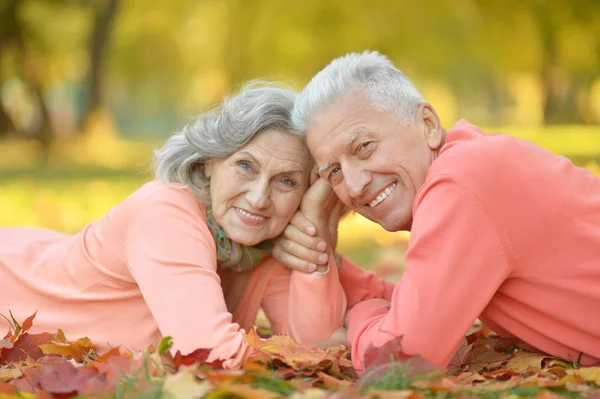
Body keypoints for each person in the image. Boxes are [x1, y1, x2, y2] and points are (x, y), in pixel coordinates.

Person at [273, 51, 600, 374]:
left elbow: (402, 359)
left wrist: (364, 315)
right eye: (334, 172)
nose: (354, 186)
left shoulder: (461, 182)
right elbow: (423, 304)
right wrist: (329, 257)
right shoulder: (469, 166)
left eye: (364, 147)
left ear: (427, 125)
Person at [0, 82, 346, 368]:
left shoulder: (262, 241)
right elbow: (212, 355)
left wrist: (317, 222)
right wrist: (306, 353)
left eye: (286, 181)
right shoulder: (166, 214)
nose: (258, 198)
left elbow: (317, 344)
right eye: (245, 166)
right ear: (210, 161)